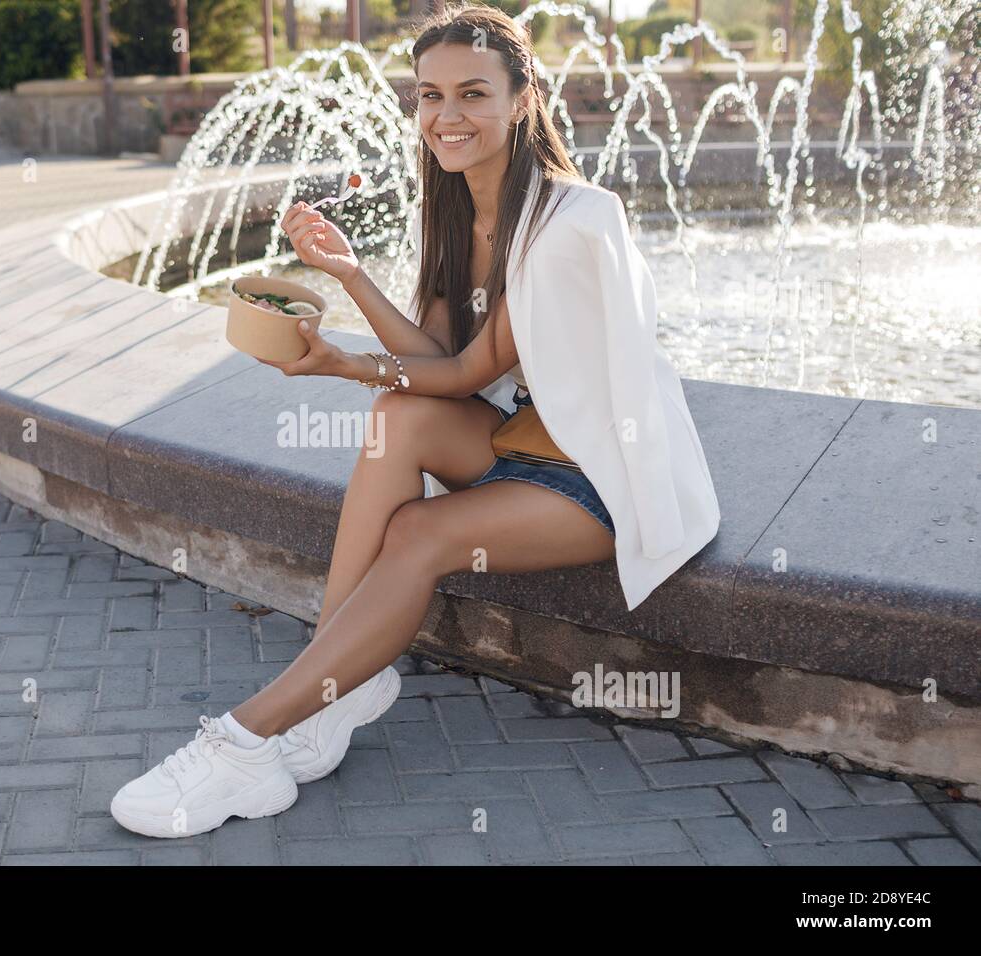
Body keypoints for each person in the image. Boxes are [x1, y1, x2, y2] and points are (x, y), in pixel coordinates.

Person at [110, 2, 720, 840]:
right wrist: (353, 278)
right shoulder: (458, 212)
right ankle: (335, 685)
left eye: (473, 93)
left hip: (597, 480)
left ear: (522, 97)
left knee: (419, 536)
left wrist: (337, 363)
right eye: (429, 95)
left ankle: (246, 737)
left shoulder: (574, 220)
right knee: (397, 417)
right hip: (516, 447)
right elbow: (432, 356)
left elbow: (470, 372)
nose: (447, 115)